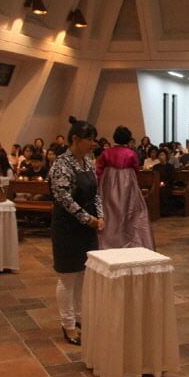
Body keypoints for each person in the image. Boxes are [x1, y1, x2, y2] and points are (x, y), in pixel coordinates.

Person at [48, 117, 104, 346]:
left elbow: (95, 193)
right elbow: (64, 199)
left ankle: (81, 318)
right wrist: (86, 218)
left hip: (87, 226)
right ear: (75, 139)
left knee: (83, 274)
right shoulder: (61, 165)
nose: (93, 144)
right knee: (68, 277)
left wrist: (100, 215)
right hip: (68, 226)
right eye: (89, 139)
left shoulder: (88, 162)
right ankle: (68, 325)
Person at [95, 125, 154, 250]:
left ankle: (108, 240)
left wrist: (100, 184)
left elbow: (99, 169)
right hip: (127, 185)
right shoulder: (131, 153)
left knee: (109, 212)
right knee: (130, 211)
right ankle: (129, 239)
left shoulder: (106, 152)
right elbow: (136, 169)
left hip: (109, 185)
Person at [153, 149, 176, 215]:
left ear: (166, 156)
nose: (161, 157)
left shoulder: (170, 166)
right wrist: (158, 183)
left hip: (168, 184)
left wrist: (164, 183)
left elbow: (172, 177)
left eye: (163, 155)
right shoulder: (156, 167)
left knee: (164, 191)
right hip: (157, 184)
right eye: (160, 155)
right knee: (154, 190)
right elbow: (153, 177)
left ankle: (164, 211)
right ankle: (155, 210)